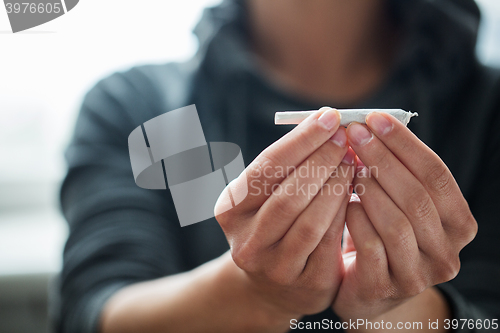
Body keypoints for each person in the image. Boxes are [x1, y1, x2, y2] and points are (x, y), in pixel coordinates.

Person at [53, 0, 500, 332]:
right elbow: (92, 312)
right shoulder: (149, 110)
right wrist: (258, 295)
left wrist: (394, 308)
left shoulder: (487, 110)